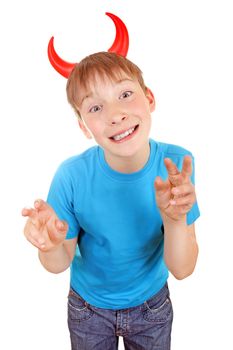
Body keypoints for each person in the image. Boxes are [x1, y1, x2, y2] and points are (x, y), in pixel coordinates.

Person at [22, 51, 200, 350]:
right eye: (95, 107)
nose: (115, 115)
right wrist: (50, 246)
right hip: (87, 309)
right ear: (83, 127)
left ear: (150, 98)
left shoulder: (177, 164)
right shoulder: (71, 176)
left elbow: (182, 269)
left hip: (151, 307)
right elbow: (57, 264)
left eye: (126, 94)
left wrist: (174, 220)